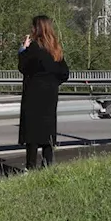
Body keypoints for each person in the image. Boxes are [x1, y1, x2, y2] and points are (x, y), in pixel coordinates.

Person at [18, 15, 70, 170]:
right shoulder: (55, 49)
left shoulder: (34, 48)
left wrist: (22, 49)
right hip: (50, 94)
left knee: (32, 131)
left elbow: (23, 67)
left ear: (37, 29)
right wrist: (53, 83)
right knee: (48, 129)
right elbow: (64, 73)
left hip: (33, 93)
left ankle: (30, 166)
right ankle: (47, 164)